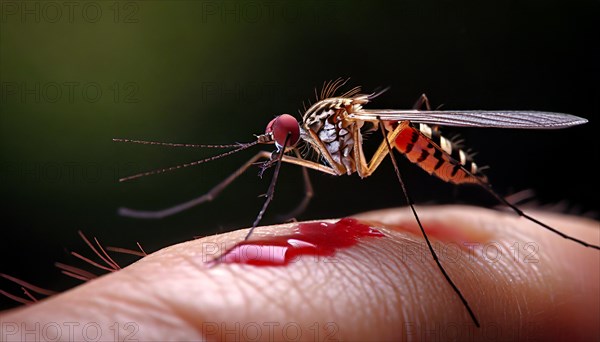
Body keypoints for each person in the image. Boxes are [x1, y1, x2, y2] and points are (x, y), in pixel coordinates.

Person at [0, 206, 598, 341]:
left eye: (284, 135)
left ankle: (512, 213)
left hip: (413, 148)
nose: (279, 145)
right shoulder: (297, 139)